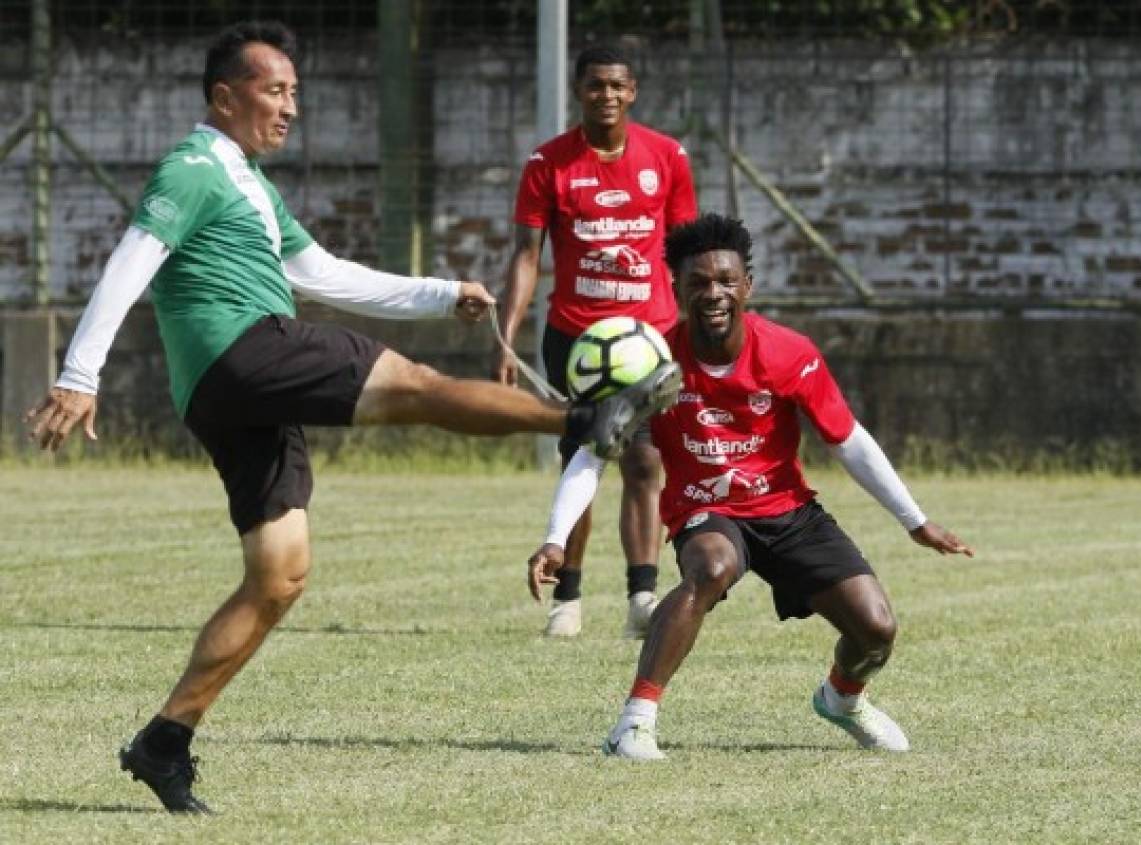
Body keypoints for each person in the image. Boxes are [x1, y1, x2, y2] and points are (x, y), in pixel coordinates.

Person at [24, 21, 680, 813]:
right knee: (416, 386)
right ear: (225, 97)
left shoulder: (251, 185)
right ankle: (581, 422)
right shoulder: (194, 166)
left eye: (295, 92)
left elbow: (321, 273)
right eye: (275, 91)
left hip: (226, 393)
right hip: (244, 349)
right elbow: (131, 258)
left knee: (279, 575)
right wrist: (78, 373)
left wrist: (440, 294)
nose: (290, 107)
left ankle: (165, 740)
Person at [526, 213, 974, 760]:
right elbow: (593, 456)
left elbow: (849, 441)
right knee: (710, 567)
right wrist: (555, 537)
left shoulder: (789, 353)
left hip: (788, 510)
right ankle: (634, 723)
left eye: (726, 281)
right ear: (677, 290)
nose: (713, 293)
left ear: (748, 287)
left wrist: (916, 521)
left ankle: (842, 699)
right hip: (705, 509)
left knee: (877, 629)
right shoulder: (651, 363)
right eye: (698, 283)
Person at [495, 44, 697, 639]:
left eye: (617, 86)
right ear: (578, 91)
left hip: (650, 339)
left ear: (633, 91)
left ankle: (642, 597)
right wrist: (505, 338)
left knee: (644, 461)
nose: (606, 96)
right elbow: (526, 257)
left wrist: (690, 336)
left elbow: (685, 252)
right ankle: (570, 600)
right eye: (594, 86)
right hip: (576, 342)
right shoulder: (548, 163)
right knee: (582, 456)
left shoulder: (666, 157)